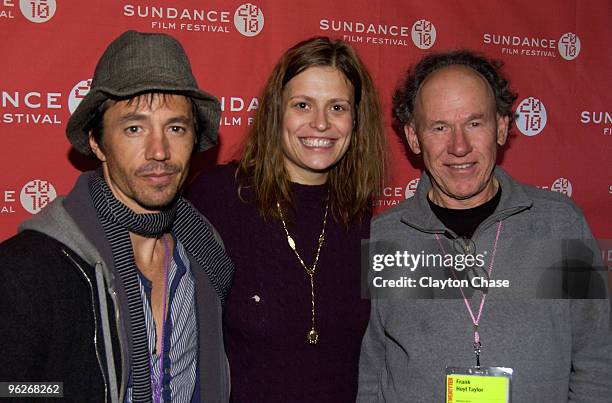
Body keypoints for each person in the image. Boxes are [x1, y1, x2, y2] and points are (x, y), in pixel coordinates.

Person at [357, 50, 612, 402]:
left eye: (474, 123)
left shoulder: (560, 224)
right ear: (414, 138)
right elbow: (370, 371)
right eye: (440, 127)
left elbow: (599, 362)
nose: (459, 146)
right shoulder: (386, 237)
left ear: (502, 127)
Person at [0, 30, 234, 402]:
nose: (159, 151)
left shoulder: (207, 254)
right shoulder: (27, 269)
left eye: (175, 128)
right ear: (97, 141)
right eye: (134, 128)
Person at [188, 36, 386, 401]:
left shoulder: (361, 215)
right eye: (302, 105)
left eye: (337, 107)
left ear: (357, 120)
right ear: (276, 111)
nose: (321, 123)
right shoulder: (217, 197)